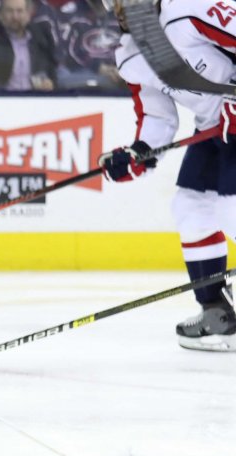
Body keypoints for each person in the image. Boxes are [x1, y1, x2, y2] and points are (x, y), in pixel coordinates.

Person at [96, 0, 236, 351]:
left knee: (232, 211)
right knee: (191, 209)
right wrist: (136, 154)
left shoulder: (192, 8)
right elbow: (157, 119)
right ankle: (217, 314)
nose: (122, 9)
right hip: (214, 128)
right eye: (115, 3)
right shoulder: (130, 56)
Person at [0, 0, 57, 91]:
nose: (15, 17)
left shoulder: (40, 39)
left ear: (29, 14)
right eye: (10, 11)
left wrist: (49, 83)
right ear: (0, 15)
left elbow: (50, 72)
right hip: (1, 100)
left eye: (20, 11)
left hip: (36, 100)